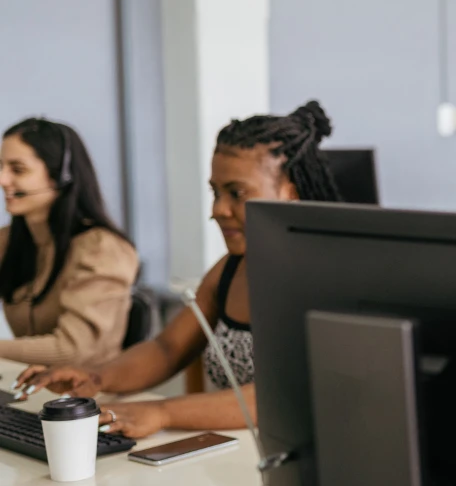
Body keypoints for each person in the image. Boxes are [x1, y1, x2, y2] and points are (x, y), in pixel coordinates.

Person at [15, 101, 342, 438]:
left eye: (237, 193)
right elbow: (167, 349)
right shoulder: (229, 271)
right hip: (240, 455)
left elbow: (282, 395)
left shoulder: (326, 282)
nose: (218, 210)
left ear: (293, 193)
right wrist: (96, 378)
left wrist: (161, 412)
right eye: (215, 192)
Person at [0, 118, 138, 367]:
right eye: (1, 167)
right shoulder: (8, 241)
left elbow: (72, 349)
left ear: (60, 178)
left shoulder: (102, 249)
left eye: (17, 170)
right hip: (32, 392)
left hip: (94, 397)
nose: (3, 180)